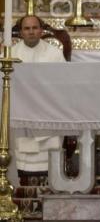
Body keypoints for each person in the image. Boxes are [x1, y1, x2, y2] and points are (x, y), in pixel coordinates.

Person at [11, 15, 65, 175]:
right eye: (27, 28)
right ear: (20, 32)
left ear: (41, 30)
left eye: (35, 28)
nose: (31, 32)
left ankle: (50, 169)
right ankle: (22, 170)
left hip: (47, 109)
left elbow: (63, 85)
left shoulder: (54, 54)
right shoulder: (11, 54)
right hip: (20, 108)